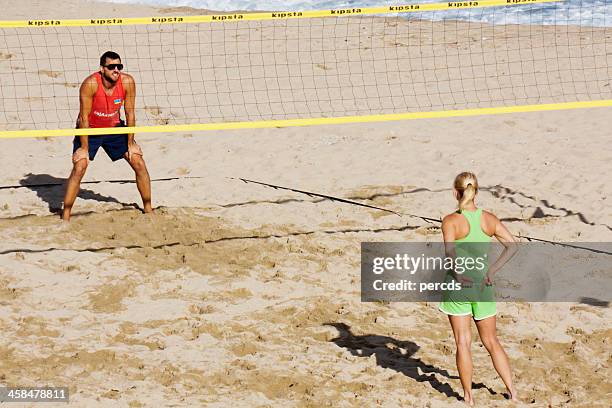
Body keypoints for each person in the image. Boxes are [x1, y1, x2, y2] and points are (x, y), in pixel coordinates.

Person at [439, 172, 518, 405]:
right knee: (492, 342)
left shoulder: (450, 221)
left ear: (455, 193)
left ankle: (468, 396)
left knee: (463, 343)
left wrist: (458, 274)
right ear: (476, 191)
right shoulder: (489, 219)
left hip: (458, 285)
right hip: (482, 285)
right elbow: (512, 246)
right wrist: (492, 271)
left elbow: (450, 254)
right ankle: (513, 392)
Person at [61, 51, 152, 221]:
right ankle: (65, 216)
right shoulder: (90, 84)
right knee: (80, 166)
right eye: (111, 67)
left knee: (138, 162)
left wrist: (131, 143)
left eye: (119, 66)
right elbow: (84, 118)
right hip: (91, 129)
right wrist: (85, 148)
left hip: (115, 129)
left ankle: (148, 209)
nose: (116, 70)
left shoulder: (127, 82)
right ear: (102, 69)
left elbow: (130, 113)